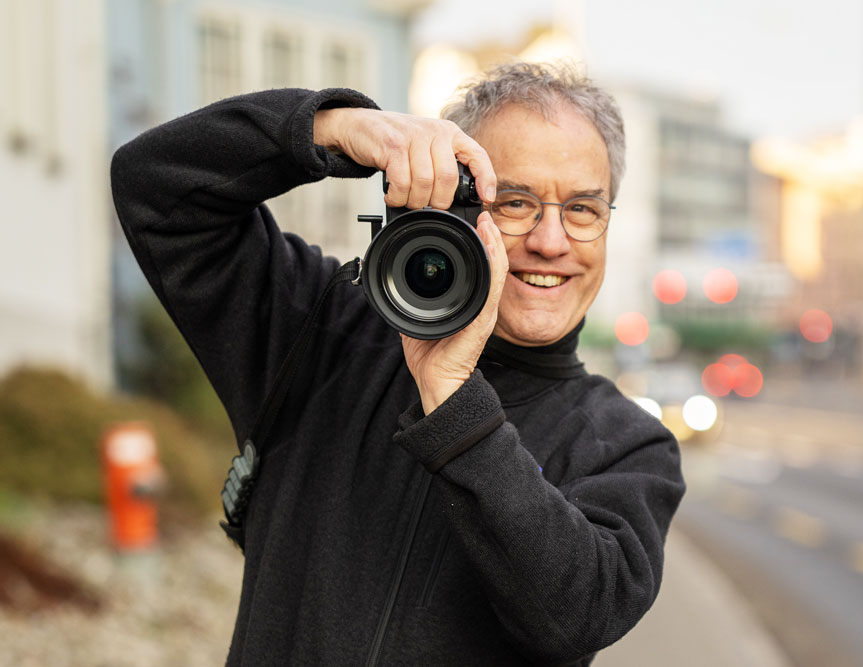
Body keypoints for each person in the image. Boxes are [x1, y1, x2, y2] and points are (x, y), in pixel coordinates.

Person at [111, 61, 685, 666]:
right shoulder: (322, 330)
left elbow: (577, 615)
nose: (551, 241)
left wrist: (455, 402)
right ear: (454, 201)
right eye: (515, 202)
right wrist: (328, 129)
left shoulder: (628, 445)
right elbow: (155, 186)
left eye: (583, 210)